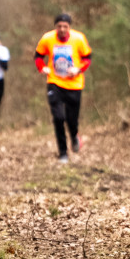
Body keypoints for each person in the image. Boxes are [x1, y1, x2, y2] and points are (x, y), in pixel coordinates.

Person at [34, 13, 92, 163]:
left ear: (69, 27)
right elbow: (38, 56)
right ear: (55, 27)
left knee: (72, 120)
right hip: (54, 82)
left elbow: (87, 58)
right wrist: (42, 68)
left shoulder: (78, 39)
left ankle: (74, 136)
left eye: (65, 26)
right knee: (58, 118)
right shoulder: (47, 38)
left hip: (74, 84)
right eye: (59, 26)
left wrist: (78, 70)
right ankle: (63, 153)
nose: (62, 29)